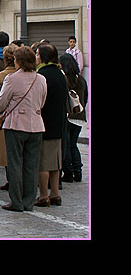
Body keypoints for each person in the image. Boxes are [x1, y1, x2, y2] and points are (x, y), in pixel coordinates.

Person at [0, 45, 48, 212]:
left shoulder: (11, 78)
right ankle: (28, 200)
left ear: (18, 61)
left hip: (16, 124)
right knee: (32, 165)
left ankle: (16, 201)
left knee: (15, 163)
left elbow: (1, 102)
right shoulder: (41, 79)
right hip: (36, 124)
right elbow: (42, 101)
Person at [35, 43, 69, 206]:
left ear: (42, 57)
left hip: (44, 122)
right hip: (59, 121)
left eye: (37, 54)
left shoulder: (42, 74)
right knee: (55, 162)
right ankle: (55, 193)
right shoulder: (60, 73)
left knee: (43, 162)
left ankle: (43, 195)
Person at [0, 43, 20, 190]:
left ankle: (12, 180)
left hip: (4, 117)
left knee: (6, 151)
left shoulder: (1, 76)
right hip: (22, 117)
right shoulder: (29, 75)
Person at [59, 53, 88, 183]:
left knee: (66, 144)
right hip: (79, 116)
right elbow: (85, 98)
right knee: (73, 144)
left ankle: (68, 172)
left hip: (68, 115)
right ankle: (78, 171)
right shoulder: (81, 79)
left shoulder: (64, 79)